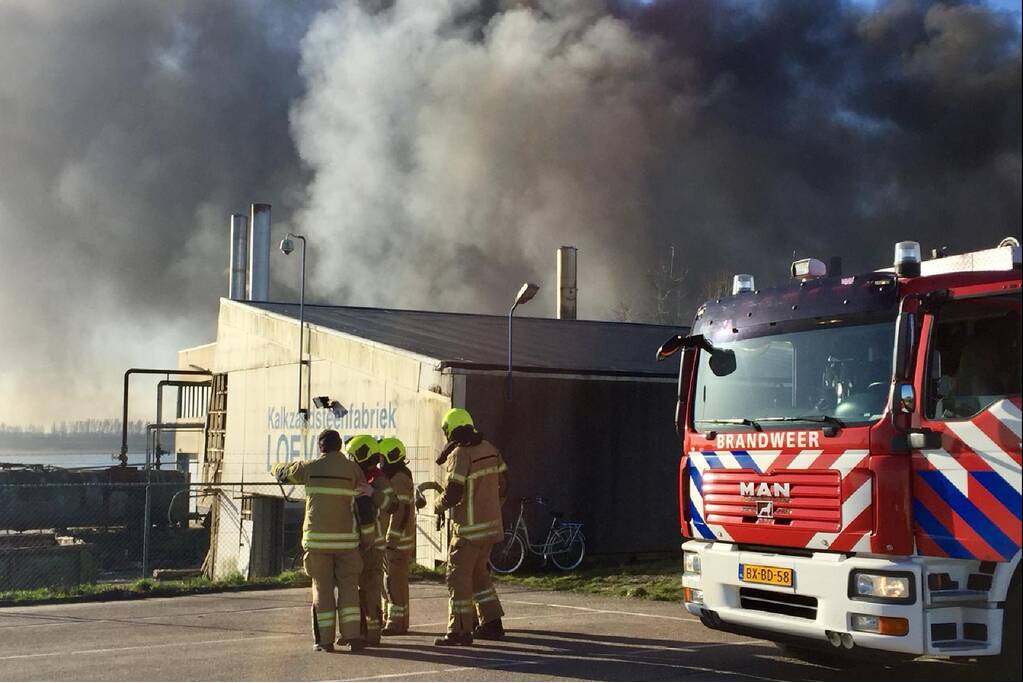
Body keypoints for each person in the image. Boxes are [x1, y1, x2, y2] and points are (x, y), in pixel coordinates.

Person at [271, 429, 374, 653]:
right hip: (347, 542)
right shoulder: (353, 469)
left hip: (317, 543)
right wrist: (367, 537)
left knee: (322, 589)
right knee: (349, 588)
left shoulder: (309, 467)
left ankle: (325, 641)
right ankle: (353, 637)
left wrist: (274, 468)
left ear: (321, 447)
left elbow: (284, 472)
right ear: (339, 446)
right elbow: (365, 502)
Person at [432, 408, 508, 646]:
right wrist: (492, 508)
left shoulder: (460, 454)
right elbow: (505, 485)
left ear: (451, 430)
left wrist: (437, 506)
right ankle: (492, 624)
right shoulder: (490, 449)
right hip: (491, 528)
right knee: (479, 576)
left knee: (457, 579)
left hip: (468, 532)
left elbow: (453, 494)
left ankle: (459, 631)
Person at [347, 434, 396, 647]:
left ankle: (373, 635)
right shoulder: (356, 476)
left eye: (352, 455)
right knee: (356, 590)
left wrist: (372, 492)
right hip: (355, 542)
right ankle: (358, 631)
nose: (350, 460)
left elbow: (392, 504)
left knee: (372, 590)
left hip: (373, 544)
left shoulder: (378, 479)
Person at [378, 437, 416, 635]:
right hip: (396, 541)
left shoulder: (398, 479)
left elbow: (401, 512)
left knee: (394, 583)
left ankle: (396, 623)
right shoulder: (398, 475)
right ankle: (394, 620)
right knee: (392, 582)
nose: (380, 463)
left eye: (382, 458)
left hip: (397, 543)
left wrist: (391, 540)